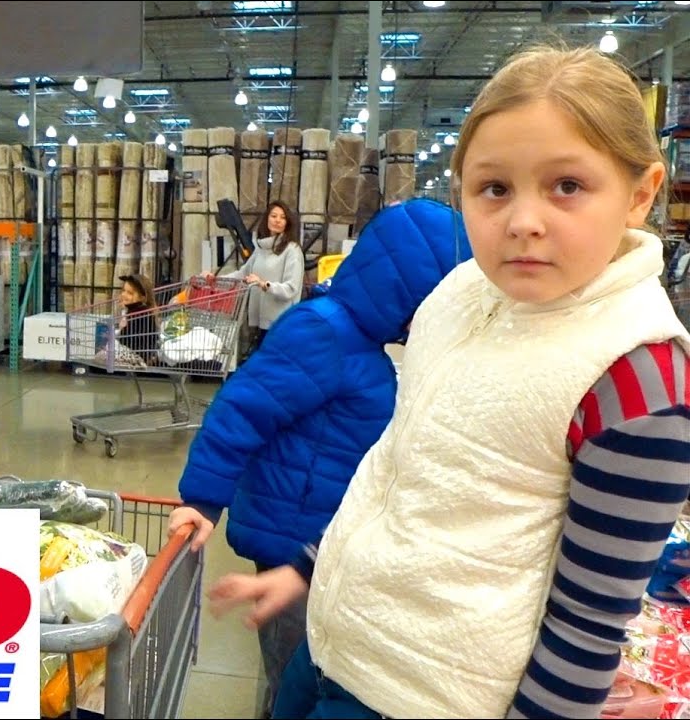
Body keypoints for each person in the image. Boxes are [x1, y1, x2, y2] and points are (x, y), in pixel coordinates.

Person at [208, 45, 690, 720]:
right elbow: (397, 462)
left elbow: (587, 625)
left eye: (567, 186)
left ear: (640, 193)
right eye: (494, 188)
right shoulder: (460, 294)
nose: (523, 221)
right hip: (332, 645)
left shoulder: (638, 379)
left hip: (425, 696)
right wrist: (311, 566)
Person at [170, 197, 471, 718]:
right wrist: (202, 499)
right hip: (291, 536)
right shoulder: (325, 331)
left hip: (318, 538)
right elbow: (243, 409)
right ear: (411, 291)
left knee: (304, 673)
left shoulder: (363, 343)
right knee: (294, 671)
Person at [207, 200, 305, 351]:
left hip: (280, 323)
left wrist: (264, 284)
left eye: (283, 217)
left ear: (287, 223)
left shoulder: (292, 250)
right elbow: (243, 273)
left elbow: (291, 288)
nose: (277, 220)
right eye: (273, 216)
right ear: (267, 219)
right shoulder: (261, 248)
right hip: (261, 321)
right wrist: (215, 279)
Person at [115, 273, 159, 366]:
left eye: (130, 293)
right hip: (136, 354)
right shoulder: (136, 310)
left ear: (142, 298)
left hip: (137, 356)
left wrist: (122, 329)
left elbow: (129, 340)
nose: (124, 295)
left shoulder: (140, 313)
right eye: (124, 290)